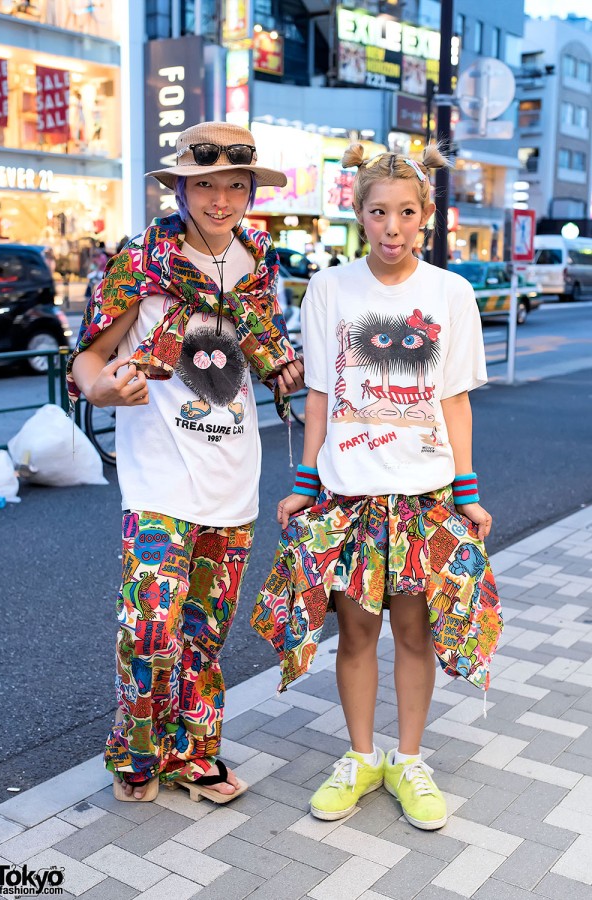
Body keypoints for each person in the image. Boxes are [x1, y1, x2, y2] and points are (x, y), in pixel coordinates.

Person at [252, 143, 502, 830]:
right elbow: (322, 396)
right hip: (349, 496)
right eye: (378, 213)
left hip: (424, 498)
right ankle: (361, 757)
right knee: (357, 636)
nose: (393, 227)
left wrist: (468, 491)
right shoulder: (330, 288)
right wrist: (305, 482)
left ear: (426, 216)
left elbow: (454, 402)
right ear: (358, 215)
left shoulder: (451, 293)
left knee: (416, 636)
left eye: (406, 213)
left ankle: (410, 759)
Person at [68, 121, 304, 803]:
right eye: (206, 184)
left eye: (236, 185)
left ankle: (194, 754)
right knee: (148, 628)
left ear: (250, 191)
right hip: (158, 478)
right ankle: (136, 756)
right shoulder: (139, 260)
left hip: (234, 477)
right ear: (181, 188)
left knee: (203, 635)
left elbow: (261, 343)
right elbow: (88, 356)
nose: (221, 199)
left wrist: (288, 372)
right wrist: (103, 385)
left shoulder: (258, 261)